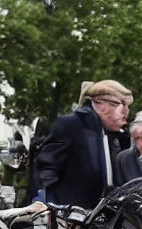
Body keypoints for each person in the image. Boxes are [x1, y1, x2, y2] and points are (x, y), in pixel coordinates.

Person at [35, 79, 133, 210]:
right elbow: (46, 170)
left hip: (99, 218)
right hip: (70, 217)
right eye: (121, 107)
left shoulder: (112, 136)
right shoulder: (70, 126)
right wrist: (53, 210)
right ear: (102, 105)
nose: (125, 114)